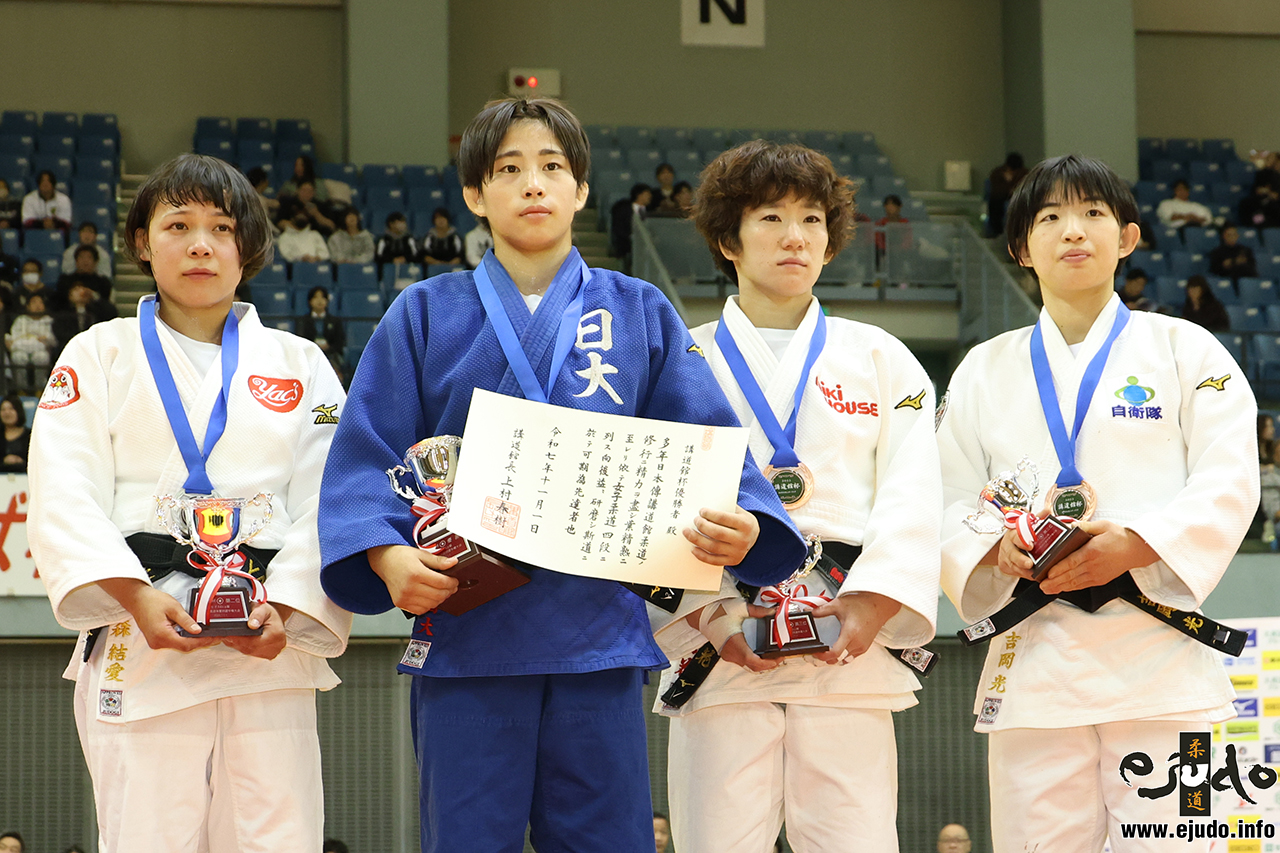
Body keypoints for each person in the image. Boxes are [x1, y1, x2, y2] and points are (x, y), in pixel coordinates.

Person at [316, 97, 804, 853]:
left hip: (598, 639)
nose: (533, 184)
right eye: (509, 169)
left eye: (552, 167)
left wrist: (742, 518)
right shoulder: (422, 313)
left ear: (581, 189)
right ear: (475, 194)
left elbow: (705, 436)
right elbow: (366, 451)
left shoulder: (638, 309)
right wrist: (385, 555)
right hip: (467, 633)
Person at [26, 153, 351, 852]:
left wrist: (288, 610)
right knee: (147, 837)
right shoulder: (97, 353)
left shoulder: (301, 364)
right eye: (179, 224)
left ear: (248, 248)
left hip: (269, 637)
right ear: (143, 242)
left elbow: (333, 497)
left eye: (221, 227)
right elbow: (64, 491)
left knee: (279, 836)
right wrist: (135, 599)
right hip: (142, 631)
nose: (201, 243)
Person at [937, 154, 1257, 853]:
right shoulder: (984, 369)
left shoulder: (1186, 349)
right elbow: (948, 494)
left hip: (1161, 659)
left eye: (1092, 214)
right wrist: (992, 547)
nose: (1072, 231)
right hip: (1034, 665)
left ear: (1128, 238)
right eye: (1049, 217)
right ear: (1021, 247)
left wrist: (1139, 540)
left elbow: (1230, 475)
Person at [657, 140, 940, 853]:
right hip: (722, 639)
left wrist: (873, 606)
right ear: (728, 238)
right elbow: (656, 506)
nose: (795, 237)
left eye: (812, 220)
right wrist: (712, 616)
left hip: (846, 637)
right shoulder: (682, 360)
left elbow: (914, 493)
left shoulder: (881, 356)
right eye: (772, 217)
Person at [53, 281, 117, 359]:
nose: (81, 292)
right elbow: (60, 333)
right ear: (70, 295)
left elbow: (111, 314)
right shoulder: (63, 314)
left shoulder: (95, 311)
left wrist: (95, 296)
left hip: (92, 349)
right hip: (70, 349)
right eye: (76, 290)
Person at [7, 293, 55, 392]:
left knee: (41, 357)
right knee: (18, 357)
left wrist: (46, 340)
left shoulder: (48, 320)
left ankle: (40, 388)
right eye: (34, 302)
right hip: (22, 348)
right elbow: (13, 338)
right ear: (28, 306)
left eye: (40, 302)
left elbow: (53, 341)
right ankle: (21, 389)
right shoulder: (20, 320)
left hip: (40, 349)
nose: (38, 305)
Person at [296, 285, 345, 376]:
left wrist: (328, 348)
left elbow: (339, 343)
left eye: (322, 297)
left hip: (331, 357)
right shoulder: (303, 321)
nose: (319, 300)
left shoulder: (335, 321)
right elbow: (300, 341)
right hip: (309, 357)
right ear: (310, 301)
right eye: (315, 297)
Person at [987, 152, 1028, 237]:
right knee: (995, 204)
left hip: (1018, 197)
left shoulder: (1024, 173)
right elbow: (996, 189)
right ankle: (996, 231)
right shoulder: (998, 173)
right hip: (1000, 197)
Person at [610, 183, 651, 261]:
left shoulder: (650, 211)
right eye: (647, 194)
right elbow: (619, 227)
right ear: (639, 195)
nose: (650, 197)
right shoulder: (624, 209)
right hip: (627, 243)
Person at [0, 394, 30, 472]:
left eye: (11, 409)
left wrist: (20, 462)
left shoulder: (30, 435)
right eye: (3, 409)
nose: (7, 413)